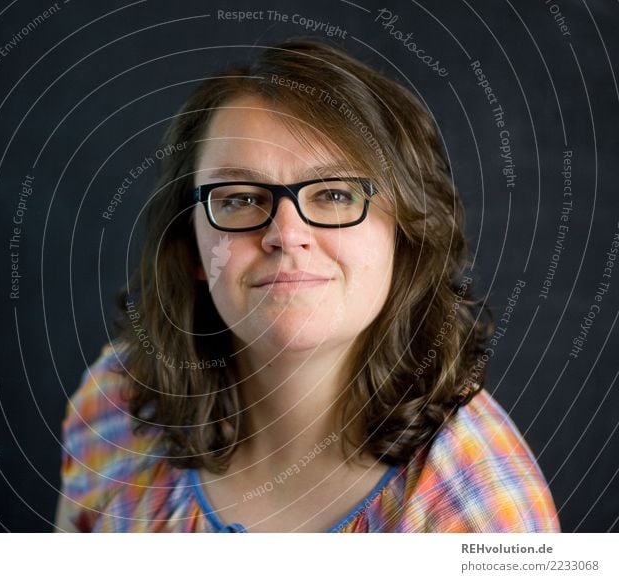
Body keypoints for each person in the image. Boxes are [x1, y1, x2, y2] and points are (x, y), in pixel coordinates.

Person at [54, 39, 560, 533]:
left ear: (405, 238)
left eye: (335, 193)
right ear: (191, 250)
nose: (286, 235)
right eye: (239, 199)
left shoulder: (480, 515)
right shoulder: (119, 404)